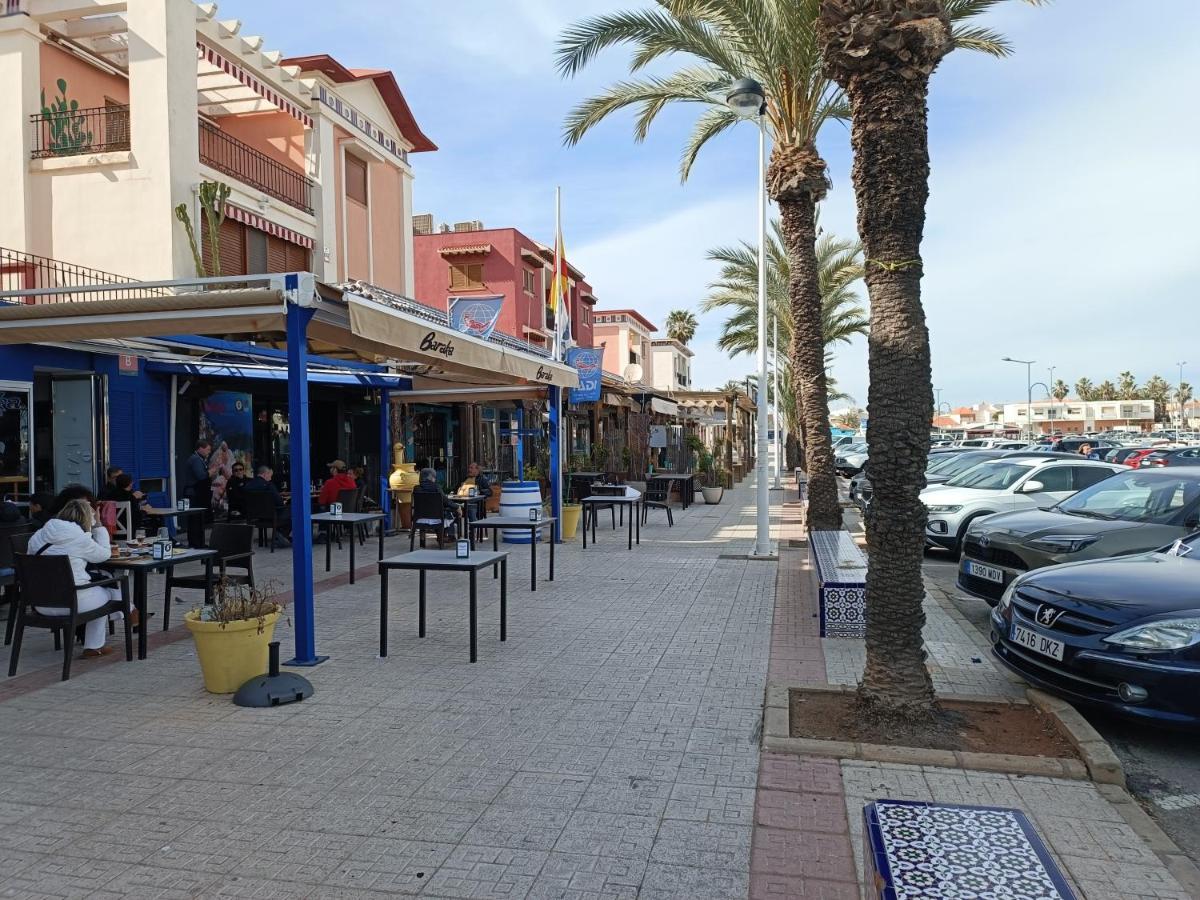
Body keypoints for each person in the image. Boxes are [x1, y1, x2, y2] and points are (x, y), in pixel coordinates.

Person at [27, 499, 131, 659]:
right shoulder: (81, 539)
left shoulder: (38, 535)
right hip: (72, 603)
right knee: (108, 592)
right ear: (87, 519)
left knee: (103, 586)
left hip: (40, 603)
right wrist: (99, 528)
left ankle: (129, 612)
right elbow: (104, 555)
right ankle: (94, 645)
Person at [243, 465, 291, 547]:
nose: (271, 478)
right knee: (295, 510)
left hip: (256, 517)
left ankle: (280, 535)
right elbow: (279, 503)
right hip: (273, 516)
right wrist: (285, 501)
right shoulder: (269, 486)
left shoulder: (247, 486)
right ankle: (281, 533)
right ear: (265, 474)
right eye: (270, 476)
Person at [180, 440, 213, 548]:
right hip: (194, 494)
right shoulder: (195, 460)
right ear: (200, 448)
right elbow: (201, 476)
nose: (209, 452)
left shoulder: (199, 459)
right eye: (207, 449)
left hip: (198, 493)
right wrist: (211, 472)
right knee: (195, 519)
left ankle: (199, 542)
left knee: (199, 519)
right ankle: (196, 543)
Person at [414, 466, 459, 535]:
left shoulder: (416, 489)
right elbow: (446, 501)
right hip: (437, 519)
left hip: (419, 518)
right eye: (434, 477)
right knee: (450, 511)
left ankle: (441, 537)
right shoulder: (436, 488)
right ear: (431, 477)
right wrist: (457, 507)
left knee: (440, 511)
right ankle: (449, 536)